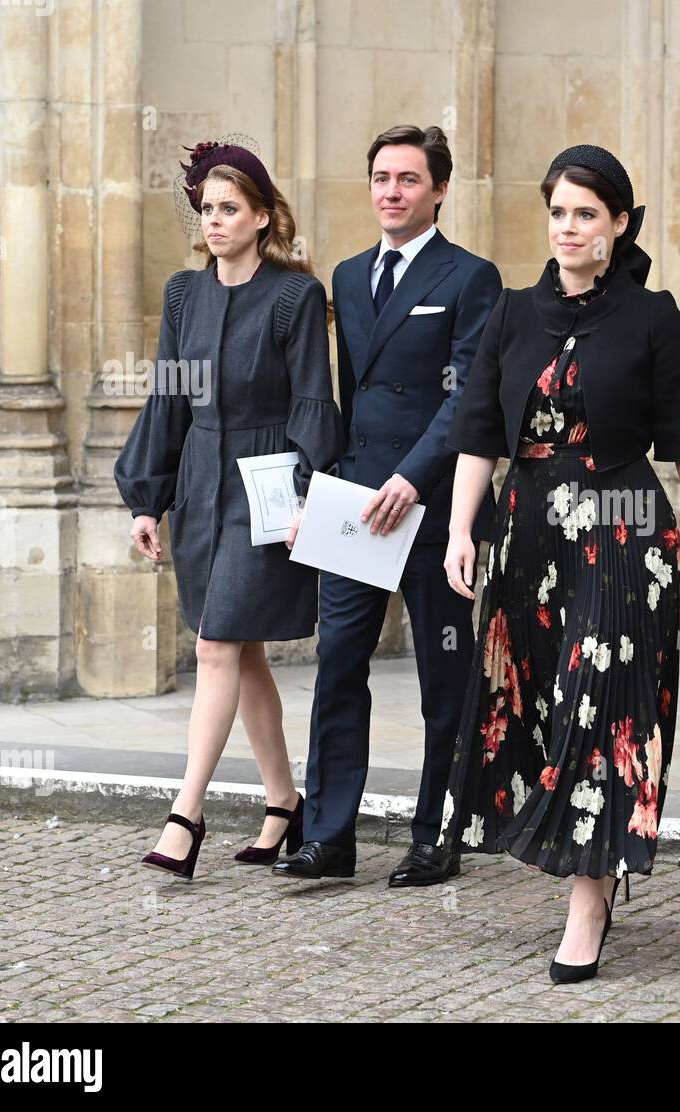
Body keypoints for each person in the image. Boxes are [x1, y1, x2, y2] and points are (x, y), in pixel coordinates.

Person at [438, 144, 680, 984]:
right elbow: (477, 435)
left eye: (587, 214)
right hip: (525, 532)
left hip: (622, 530)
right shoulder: (511, 312)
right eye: (559, 212)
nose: (570, 228)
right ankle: (566, 855)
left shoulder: (652, 316)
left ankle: (589, 897)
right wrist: (463, 530)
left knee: (600, 706)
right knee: (533, 699)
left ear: (620, 224)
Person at [272, 126, 502, 885]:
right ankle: (329, 836)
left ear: (439, 189)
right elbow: (348, 395)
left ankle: (437, 836)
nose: (391, 191)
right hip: (355, 506)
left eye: (408, 178)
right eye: (380, 177)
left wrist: (414, 477)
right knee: (338, 660)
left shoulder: (472, 277)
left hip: (435, 508)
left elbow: (471, 397)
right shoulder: (345, 274)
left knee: (444, 674)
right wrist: (319, 490)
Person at [115, 139, 342, 878]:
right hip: (199, 483)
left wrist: (308, 489)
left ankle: (187, 814)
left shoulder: (295, 297)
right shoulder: (184, 294)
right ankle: (284, 803)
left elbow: (314, 397)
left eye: (229, 208)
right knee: (237, 650)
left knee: (215, 645)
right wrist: (147, 498)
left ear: (263, 216)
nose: (214, 220)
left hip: (267, 486)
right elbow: (170, 395)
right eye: (207, 208)